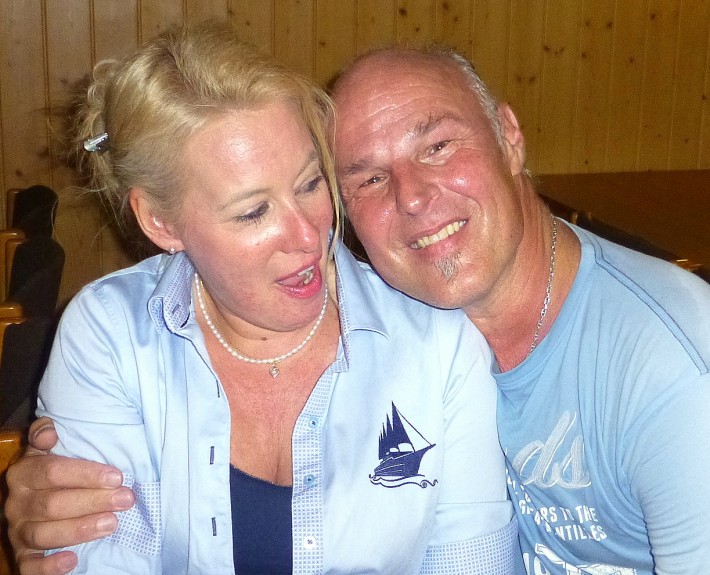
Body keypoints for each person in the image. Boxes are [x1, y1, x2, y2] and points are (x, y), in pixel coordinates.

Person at [9, 43, 710, 575]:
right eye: (252, 211)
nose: (307, 235)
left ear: (510, 136)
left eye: (310, 184)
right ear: (160, 223)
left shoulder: (660, 369)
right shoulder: (111, 334)